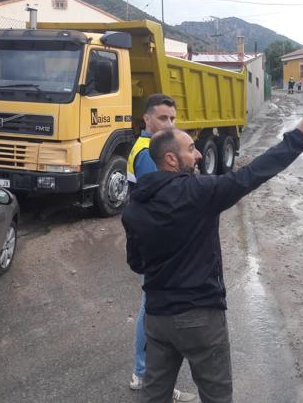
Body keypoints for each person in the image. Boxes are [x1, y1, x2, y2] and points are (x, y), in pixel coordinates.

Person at [122, 104, 303, 403]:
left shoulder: (135, 207)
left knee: (154, 396)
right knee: (217, 396)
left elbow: (136, 263)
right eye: (192, 149)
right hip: (200, 317)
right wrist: (298, 136)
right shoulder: (199, 192)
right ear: (171, 159)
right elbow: (251, 174)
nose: (198, 155)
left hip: (157, 319)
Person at [126, 93, 196, 402]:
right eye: (162, 118)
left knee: (151, 306)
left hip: (152, 239)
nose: (169, 124)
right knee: (151, 308)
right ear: (147, 119)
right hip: (157, 243)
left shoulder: (148, 148)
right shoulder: (146, 154)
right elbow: (162, 201)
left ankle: (146, 374)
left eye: (172, 118)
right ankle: (144, 374)